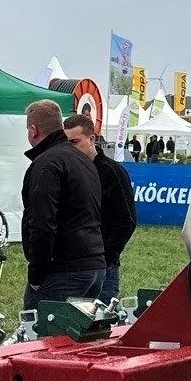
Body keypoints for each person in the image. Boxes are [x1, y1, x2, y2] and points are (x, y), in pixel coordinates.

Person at [20, 99, 104, 311]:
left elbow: (42, 223)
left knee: (40, 336)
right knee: (77, 341)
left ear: (33, 130)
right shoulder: (83, 160)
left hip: (64, 269)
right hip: (94, 267)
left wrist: (36, 274)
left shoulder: (47, 164)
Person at [66, 113, 135, 304]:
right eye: (67, 143)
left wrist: (104, 255)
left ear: (91, 139)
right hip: (72, 266)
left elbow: (126, 220)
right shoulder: (68, 171)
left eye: (75, 141)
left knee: (98, 326)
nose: (71, 148)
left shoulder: (112, 172)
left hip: (103, 267)